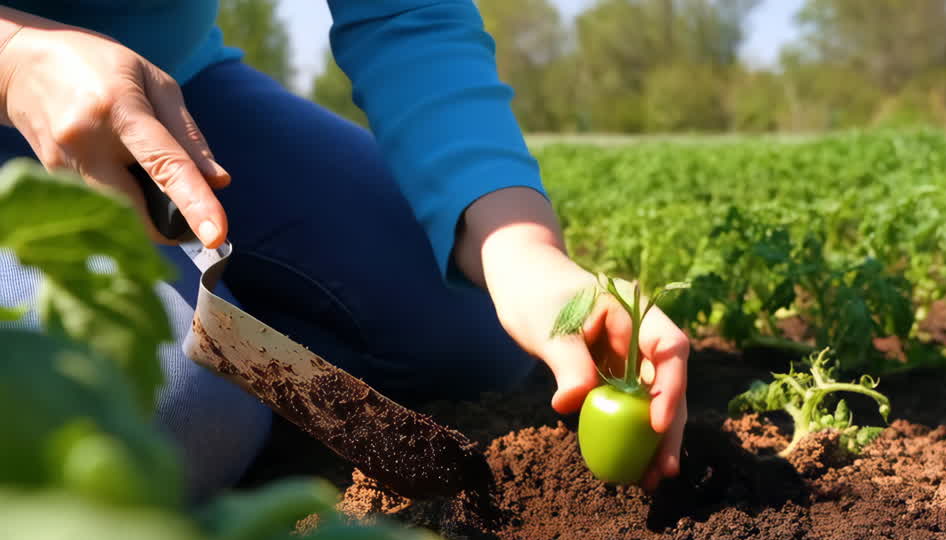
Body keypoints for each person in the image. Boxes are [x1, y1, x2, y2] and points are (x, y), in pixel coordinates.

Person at [0, 2, 689, 500]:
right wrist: (16, 62)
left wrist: (524, 252)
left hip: (178, 87)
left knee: (471, 326)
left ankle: (227, 343)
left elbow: (405, 14)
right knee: (181, 415)